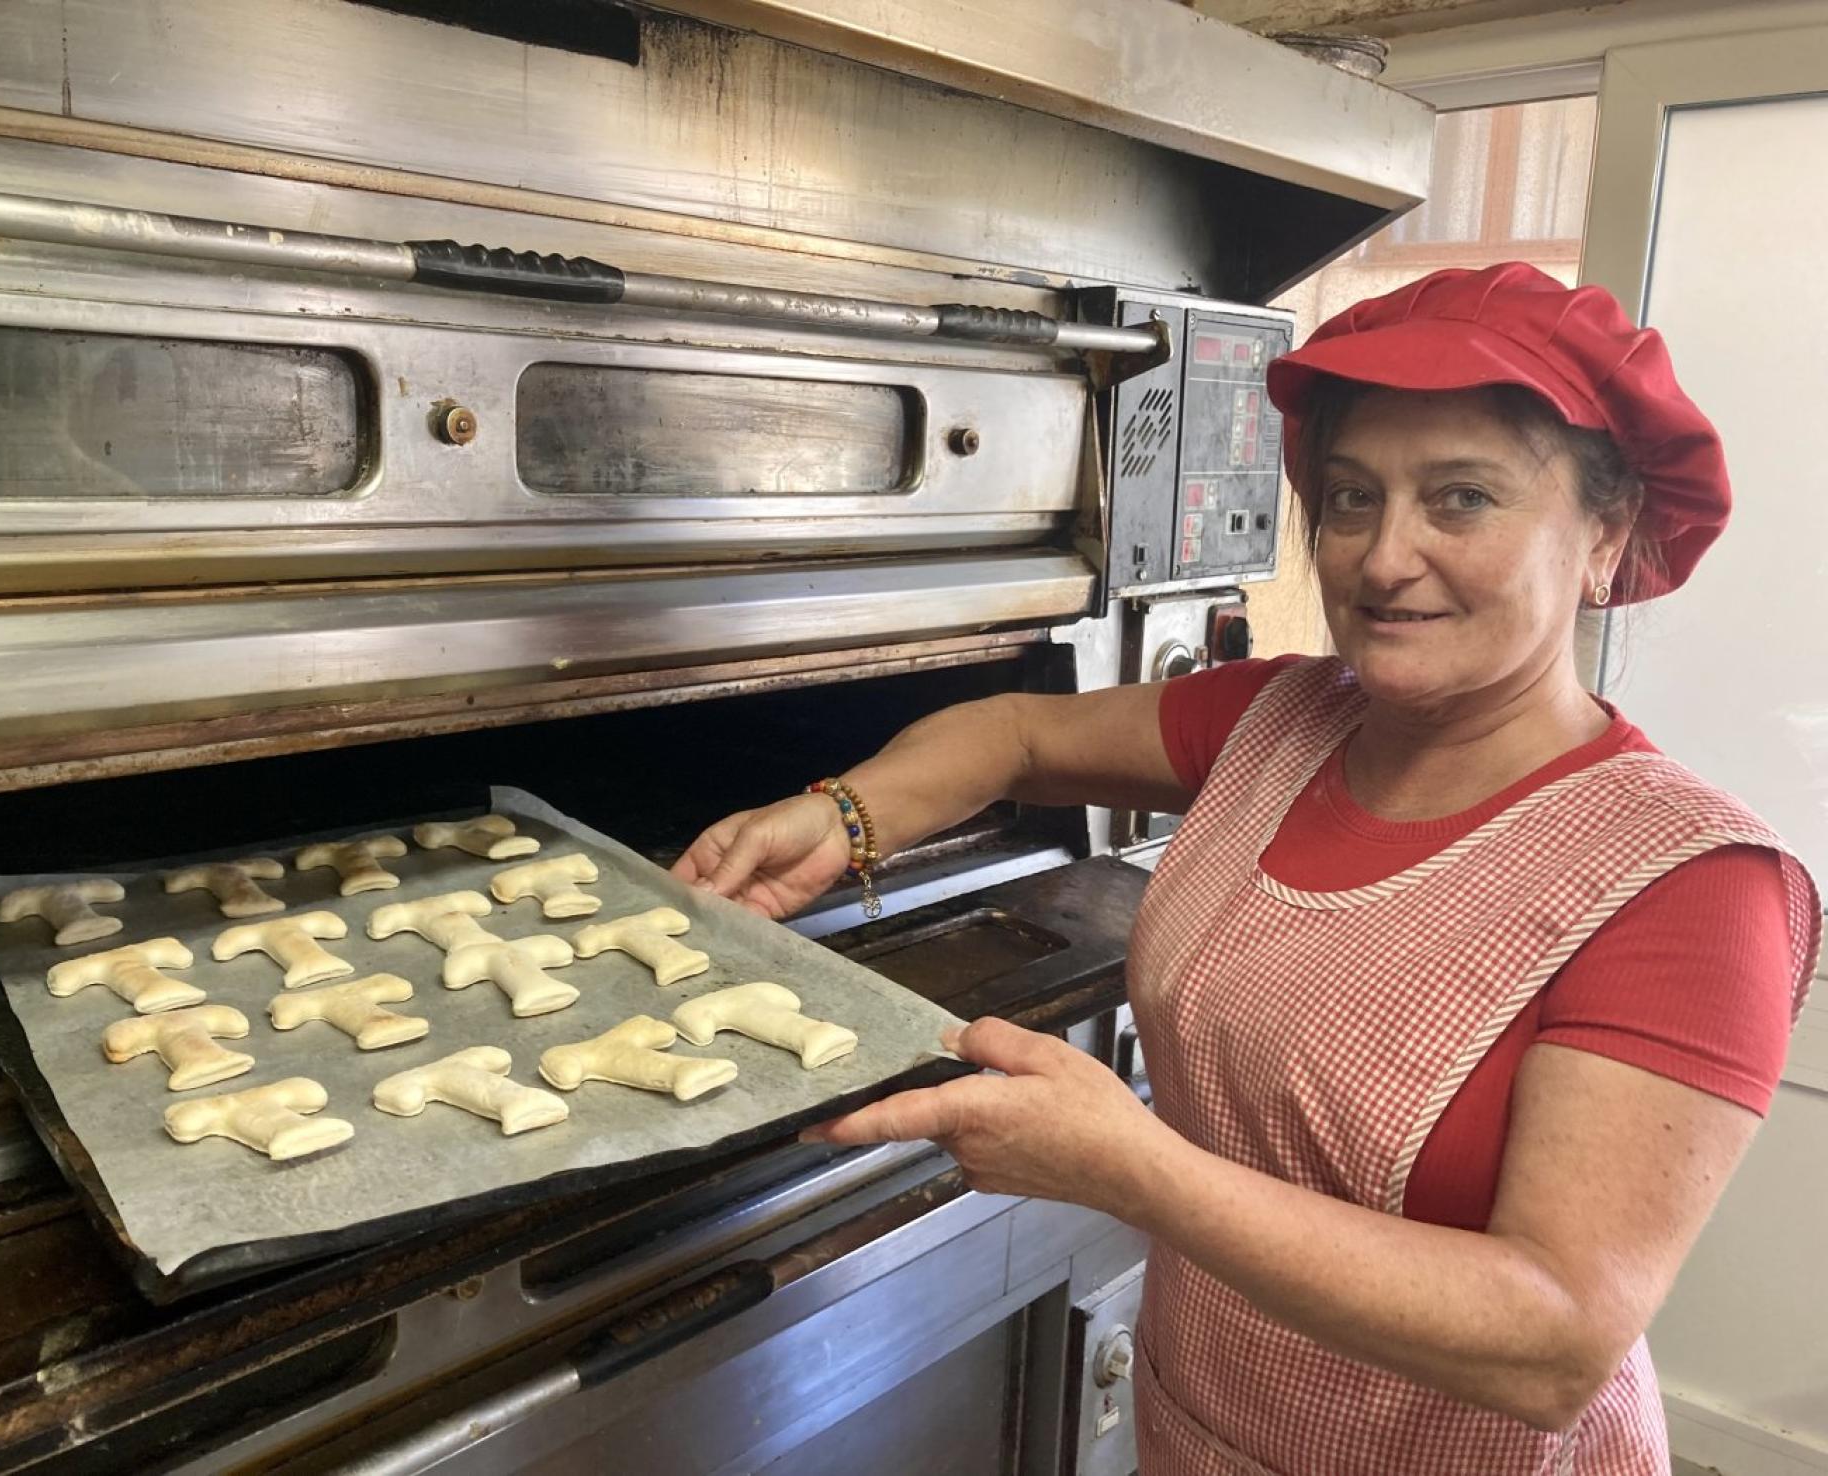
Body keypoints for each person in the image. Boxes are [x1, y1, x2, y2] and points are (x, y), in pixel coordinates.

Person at [674, 263, 1819, 1474]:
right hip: (1209, 1425)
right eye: (1350, 498)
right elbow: (1010, 734)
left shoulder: (1688, 889)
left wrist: (1132, 1168)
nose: (1384, 560)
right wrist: (846, 817)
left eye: (1462, 498)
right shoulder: (1282, 719)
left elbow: (1551, 1342)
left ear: (1608, 535)